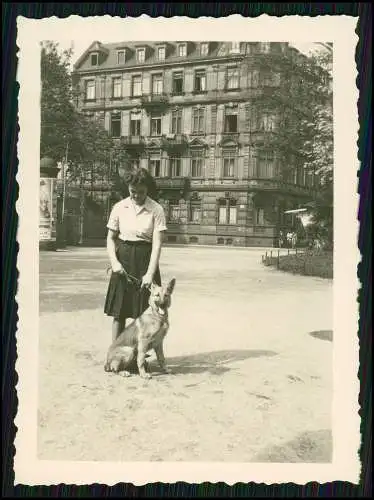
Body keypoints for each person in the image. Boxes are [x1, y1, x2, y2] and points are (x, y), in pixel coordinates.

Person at [104, 168, 167, 342]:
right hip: (122, 259)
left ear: (147, 189)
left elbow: (157, 245)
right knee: (119, 312)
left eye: (141, 192)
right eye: (133, 191)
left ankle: (137, 357)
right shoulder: (119, 207)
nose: (136, 196)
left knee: (144, 314)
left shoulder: (156, 209)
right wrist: (115, 263)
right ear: (128, 188)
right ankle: (115, 354)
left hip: (145, 260)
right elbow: (110, 239)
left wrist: (149, 273)